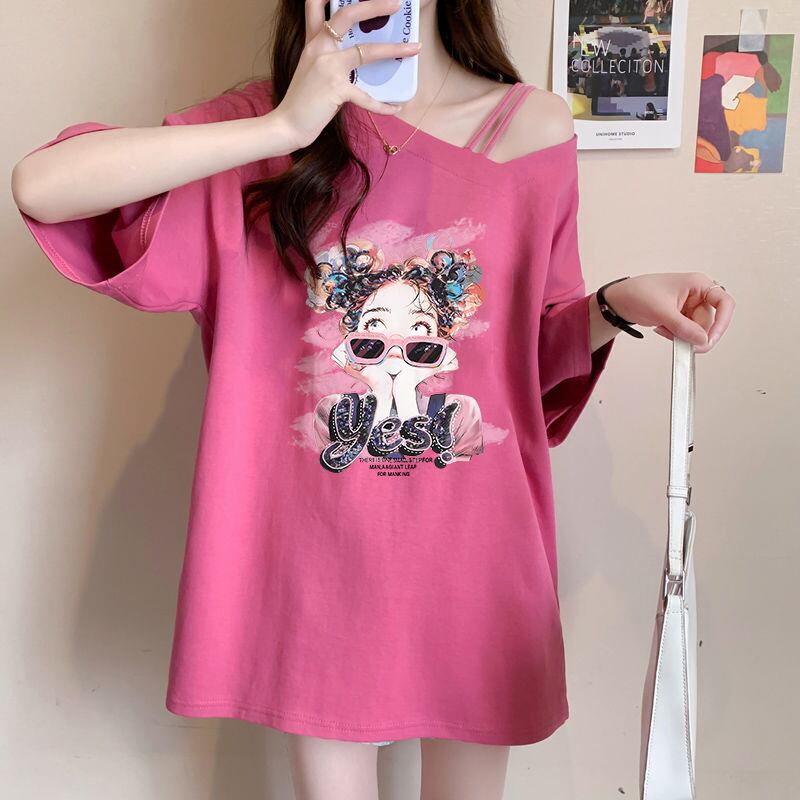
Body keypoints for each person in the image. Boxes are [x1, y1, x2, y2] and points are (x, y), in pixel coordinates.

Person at [11, 1, 734, 798]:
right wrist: (284, 127)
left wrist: (616, 304)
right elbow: (44, 187)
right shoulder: (264, 126)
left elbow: (519, 368)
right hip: (314, 561)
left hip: (474, 550)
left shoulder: (533, 128)